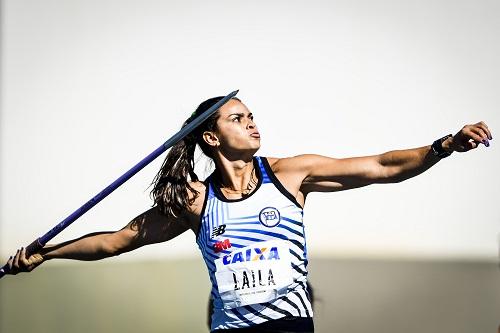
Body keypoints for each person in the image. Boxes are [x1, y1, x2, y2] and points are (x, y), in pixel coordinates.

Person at [4, 95, 492, 333]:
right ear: (211, 138)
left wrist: (444, 145)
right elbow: (117, 240)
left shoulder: (290, 175)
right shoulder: (196, 201)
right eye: (238, 118)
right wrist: (46, 253)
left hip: (291, 329)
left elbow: (382, 167)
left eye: (251, 114)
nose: (252, 121)